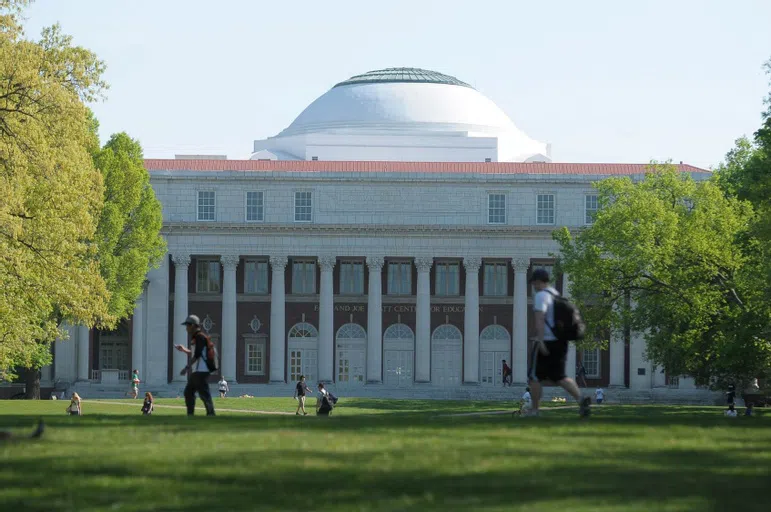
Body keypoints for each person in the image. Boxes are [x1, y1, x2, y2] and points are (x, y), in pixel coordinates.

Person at [527, 268, 590, 417]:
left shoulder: (541, 295)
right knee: (560, 376)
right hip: (561, 342)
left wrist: (540, 339)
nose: (534, 286)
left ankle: (535, 410)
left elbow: (540, 318)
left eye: (534, 283)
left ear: (538, 281)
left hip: (547, 341)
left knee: (534, 376)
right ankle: (581, 399)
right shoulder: (556, 295)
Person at [174, 314, 216, 416]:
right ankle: (193, 413)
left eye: (187, 326)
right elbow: (197, 353)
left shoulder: (199, 337)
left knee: (202, 393)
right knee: (190, 392)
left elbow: (197, 355)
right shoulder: (197, 337)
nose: (186, 329)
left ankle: (209, 413)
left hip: (201, 370)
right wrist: (184, 350)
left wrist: (186, 367)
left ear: (192, 325)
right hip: (199, 371)